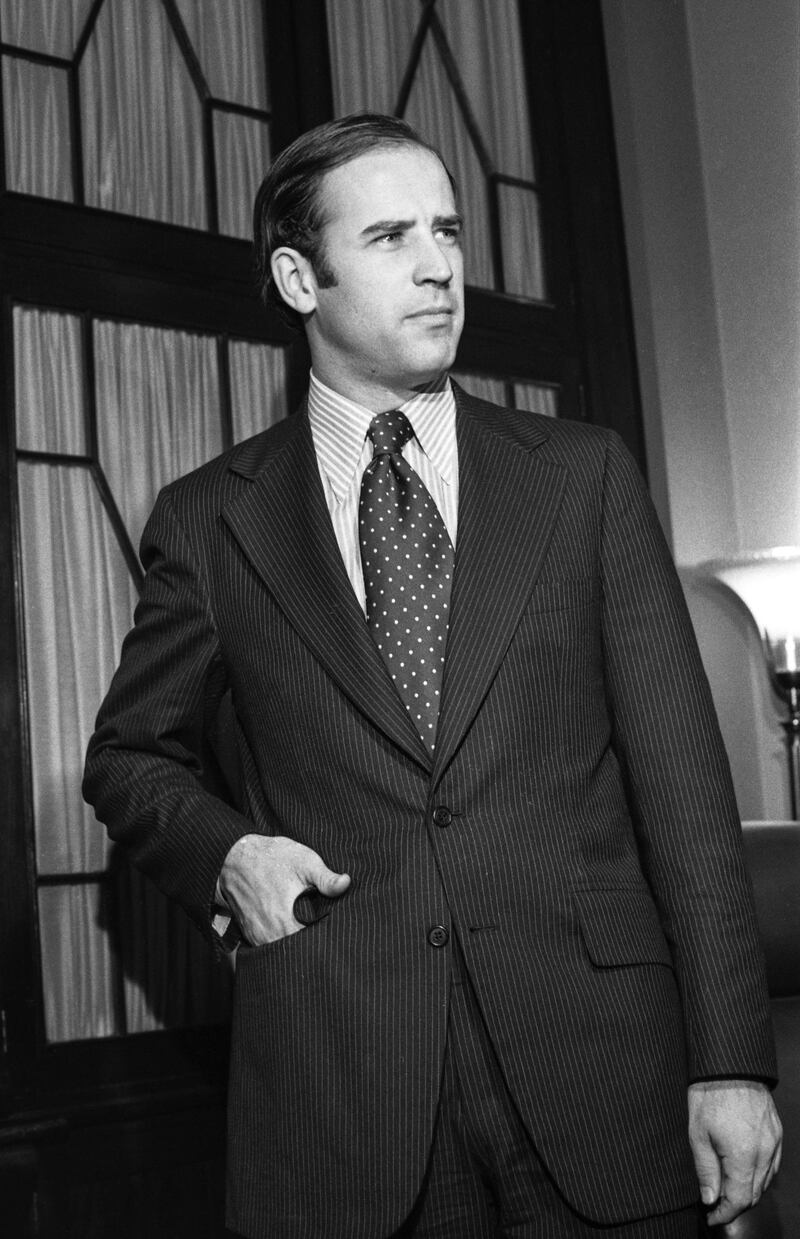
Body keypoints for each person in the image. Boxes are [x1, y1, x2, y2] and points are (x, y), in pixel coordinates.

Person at [84, 113, 781, 1239]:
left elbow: (686, 794)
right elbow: (126, 758)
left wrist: (733, 1061)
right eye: (392, 235)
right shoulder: (211, 519)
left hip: (604, 1073)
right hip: (344, 1089)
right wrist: (229, 855)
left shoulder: (580, 478)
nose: (439, 265)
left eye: (448, 230)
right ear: (298, 277)